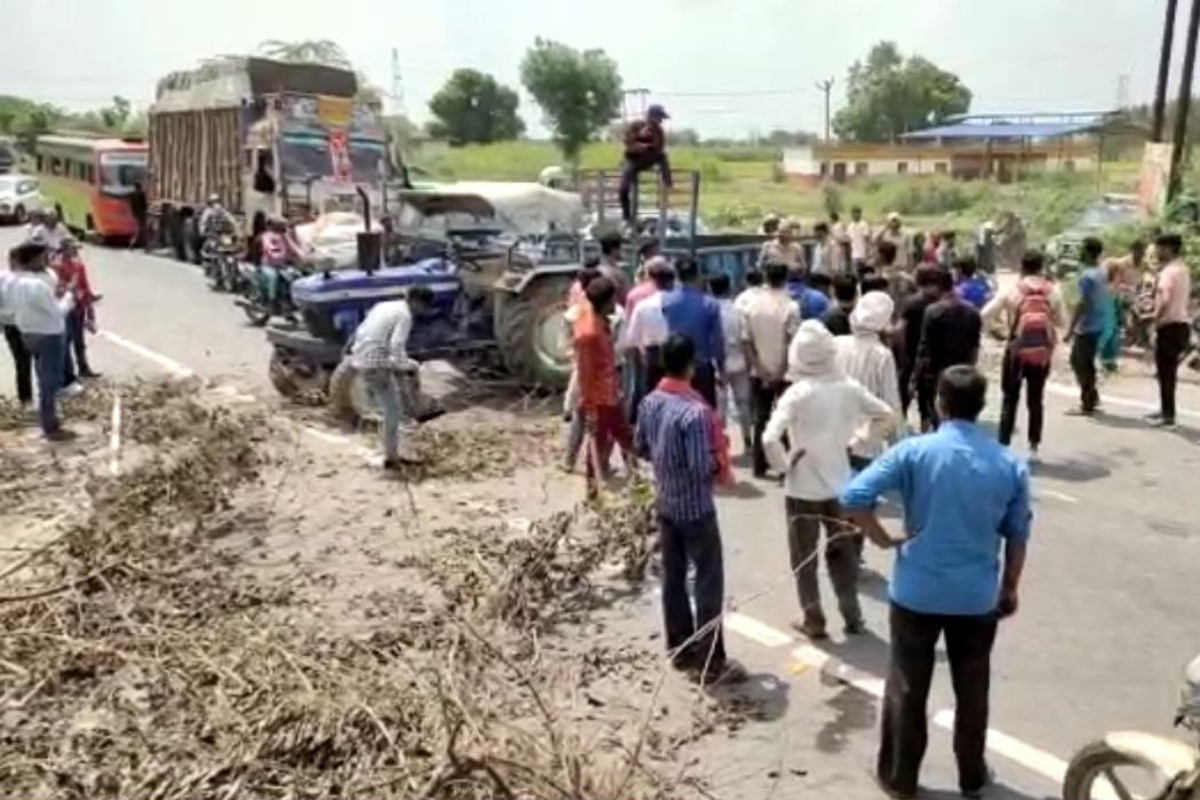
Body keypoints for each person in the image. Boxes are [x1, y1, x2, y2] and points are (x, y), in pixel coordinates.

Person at [841, 366, 1031, 800]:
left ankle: (900, 777)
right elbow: (1018, 534)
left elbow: (853, 498)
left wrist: (883, 538)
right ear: (982, 407)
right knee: (973, 689)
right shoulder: (1008, 463)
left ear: (940, 404)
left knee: (907, 685)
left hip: (916, 592)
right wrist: (1010, 587)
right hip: (976, 597)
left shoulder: (914, 451)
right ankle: (971, 776)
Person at [766, 320, 895, 639]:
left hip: (802, 488)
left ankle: (814, 619)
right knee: (844, 555)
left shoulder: (797, 393)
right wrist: (860, 439)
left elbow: (770, 438)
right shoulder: (848, 387)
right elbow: (887, 414)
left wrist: (784, 465)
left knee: (804, 558)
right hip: (841, 486)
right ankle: (853, 617)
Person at [635, 333, 743, 684]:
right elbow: (701, 469)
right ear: (691, 366)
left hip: (666, 502)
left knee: (674, 579)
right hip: (696, 509)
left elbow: (641, 448)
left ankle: (680, 647)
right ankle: (711, 659)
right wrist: (721, 459)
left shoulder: (650, 402)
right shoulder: (695, 414)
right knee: (708, 583)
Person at [983, 250, 1065, 456]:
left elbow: (985, 315)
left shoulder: (1012, 290)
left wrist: (999, 331)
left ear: (1022, 267)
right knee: (1036, 398)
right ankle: (1034, 445)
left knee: (1010, 398)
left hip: (1016, 349)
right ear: (1041, 267)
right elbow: (1063, 321)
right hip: (1041, 353)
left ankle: (1003, 443)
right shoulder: (1053, 291)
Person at [348, 286, 434, 470]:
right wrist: (405, 366)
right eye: (423, 307)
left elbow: (363, 330)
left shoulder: (384, 305)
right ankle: (391, 458)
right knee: (393, 411)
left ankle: (388, 448)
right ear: (418, 303)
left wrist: (401, 365)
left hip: (361, 356)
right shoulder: (405, 316)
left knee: (389, 404)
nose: (422, 311)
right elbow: (397, 345)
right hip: (375, 362)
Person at [7, 241, 75, 440]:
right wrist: (70, 296)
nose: (47, 260)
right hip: (49, 335)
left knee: (41, 375)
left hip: (28, 333)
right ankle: (50, 426)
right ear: (34, 258)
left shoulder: (12, 281)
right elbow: (57, 313)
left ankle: (45, 415)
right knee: (50, 382)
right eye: (44, 256)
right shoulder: (36, 285)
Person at [575, 277, 635, 496]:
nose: (615, 303)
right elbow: (586, 372)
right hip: (599, 399)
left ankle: (634, 478)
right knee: (602, 443)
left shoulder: (599, 322)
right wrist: (589, 405)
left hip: (609, 393)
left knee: (624, 436)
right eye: (613, 299)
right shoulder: (590, 333)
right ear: (606, 301)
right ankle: (593, 492)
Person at [742, 262, 801, 478]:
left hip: (759, 372)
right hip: (785, 372)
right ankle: (784, 466)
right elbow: (791, 342)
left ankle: (759, 465)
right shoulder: (791, 307)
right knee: (785, 419)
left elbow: (746, 341)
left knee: (761, 418)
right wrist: (780, 371)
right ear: (785, 278)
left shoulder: (751, 306)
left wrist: (760, 369)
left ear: (765, 277)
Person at [836, 291, 902, 473]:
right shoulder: (882, 355)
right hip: (865, 441)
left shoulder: (835, 344)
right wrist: (896, 441)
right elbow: (891, 403)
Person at [913, 268, 982, 431]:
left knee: (939, 417)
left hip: (938, 372)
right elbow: (975, 347)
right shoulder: (972, 312)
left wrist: (916, 377)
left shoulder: (932, 311)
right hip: (963, 370)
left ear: (938, 288)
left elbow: (924, 348)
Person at [660, 258, 725, 407]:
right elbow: (717, 341)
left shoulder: (666, 301)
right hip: (701, 367)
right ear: (697, 276)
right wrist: (721, 368)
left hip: (675, 365)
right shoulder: (710, 304)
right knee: (704, 412)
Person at [622, 258, 675, 421]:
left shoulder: (638, 298)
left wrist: (640, 352)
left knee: (648, 392)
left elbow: (631, 335)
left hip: (649, 353)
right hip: (674, 351)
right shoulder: (677, 300)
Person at [1149, 233, 1192, 429]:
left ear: (1168, 248)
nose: (1157, 251)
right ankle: (1166, 410)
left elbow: (1164, 299)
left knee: (1165, 372)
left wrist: (1154, 319)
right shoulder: (1182, 269)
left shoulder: (1168, 272)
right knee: (1168, 372)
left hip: (1169, 325)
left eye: (1159, 247)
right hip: (1181, 324)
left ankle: (1168, 415)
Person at [563, 267, 603, 472]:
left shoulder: (578, 309)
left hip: (584, 368)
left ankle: (571, 460)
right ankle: (601, 464)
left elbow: (568, 332)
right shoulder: (601, 312)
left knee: (581, 413)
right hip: (599, 372)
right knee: (609, 418)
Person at [1064, 237, 1108, 416]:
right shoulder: (1100, 272)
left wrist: (1070, 329)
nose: (1080, 253)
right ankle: (1092, 396)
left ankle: (1087, 402)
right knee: (1086, 362)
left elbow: (1082, 303)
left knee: (1079, 362)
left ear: (1088, 252)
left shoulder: (1087, 276)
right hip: (1098, 323)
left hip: (1087, 325)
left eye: (1082, 249)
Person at [710, 272, 753, 450]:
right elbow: (745, 338)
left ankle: (721, 443)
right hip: (739, 359)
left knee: (720, 405)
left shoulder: (709, 310)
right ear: (729, 288)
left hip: (717, 362)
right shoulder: (738, 310)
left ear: (710, 289)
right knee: (743, 402)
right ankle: (747, 439)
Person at [896, 266, 943, 419]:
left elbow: (900, 330)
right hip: (933, 359)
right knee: (927, 402)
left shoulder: (911, 303)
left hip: (911, 357)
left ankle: (902, 431)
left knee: (903, 399)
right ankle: (925, 432)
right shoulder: (941, 304)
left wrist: (901, 355)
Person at [54, 238, 100, 381]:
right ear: (64, 249)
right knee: (66, 341)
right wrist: (70, 290)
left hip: (78, 306)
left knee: (79, 340)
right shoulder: (56, 266)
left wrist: (89, 308)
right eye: (71, 248)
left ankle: (83, 367)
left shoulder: (78, 265)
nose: (75, 251)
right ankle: (68, 374)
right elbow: (58, 288)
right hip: (66, 307)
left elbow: (85, 286)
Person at [620, 105, 672, 226]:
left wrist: (648, 148)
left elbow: (658, 149)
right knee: (623, 189)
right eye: (659, 118)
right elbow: (628, 143)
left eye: (661, 118)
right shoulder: (636, 126)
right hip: (632, 160)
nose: (660, 121)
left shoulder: (658, 131)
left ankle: (667, 181)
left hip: (648, 159)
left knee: (663, 156)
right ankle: (627, 217)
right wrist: (639, 146)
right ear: (651, 117)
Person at [1, 252, 33, 407]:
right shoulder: (4, 278)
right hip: (14, 325)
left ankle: (29, 396)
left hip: (23, 324)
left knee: (26, 361)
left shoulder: (26, 278)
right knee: (22, 361)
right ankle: (26, 397)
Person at [597, 231, 629, 304]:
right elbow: (626, 298)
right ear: (614, 249)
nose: (624, 250)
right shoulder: (616, 274)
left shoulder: (595, 268)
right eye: (622, 247)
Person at [847, 206, 872, 276]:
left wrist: (868, 252)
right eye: (854, 214)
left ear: (860, 214)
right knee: (855, 275)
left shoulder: (864, 224)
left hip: (863, 254)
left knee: (864, 274)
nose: (855, 215)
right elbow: (849, 240)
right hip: (854, 254)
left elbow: (867, 238)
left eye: (857, 213)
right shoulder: (850, 226)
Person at [128, 181, 149, 250]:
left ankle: (133, 243)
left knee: (138, 229)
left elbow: (131, 205)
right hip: (141, 213)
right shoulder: (141, 194)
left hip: (135, 213)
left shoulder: (131, 195)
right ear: (140, 187)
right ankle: (144, 244)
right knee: (143, 229)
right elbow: (144, 205)